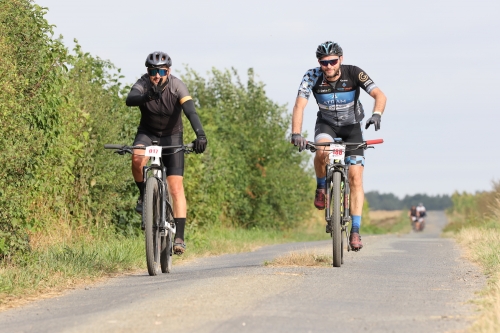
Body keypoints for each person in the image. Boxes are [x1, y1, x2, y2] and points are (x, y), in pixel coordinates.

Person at [291, 41, 387, 251]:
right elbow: (299, 105)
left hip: (352, 127)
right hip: (327, 125)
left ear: (340, 60)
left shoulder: (354, 73)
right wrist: (296, 133)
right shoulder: (311, 76)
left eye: (333, 61)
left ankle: (355, 231)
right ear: (319, 63)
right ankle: (321, 188)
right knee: (321, 151)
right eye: (324, 63)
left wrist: (377, 114)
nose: (329, 66)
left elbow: (380, 95)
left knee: (355, 177)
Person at [125, 51, 207, 255]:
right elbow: (130, 99)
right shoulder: (143, 83)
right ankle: (144, 195)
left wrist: (201, 135)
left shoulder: (177, 86)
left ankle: (179, 237)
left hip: (172, 136)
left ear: (168, 71)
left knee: (175, 186)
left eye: (161, 70)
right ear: (148, 71)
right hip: (147, 134)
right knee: (136, 158)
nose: (157, 75)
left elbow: (190, 111)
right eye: (153, 70)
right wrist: (147, 96)